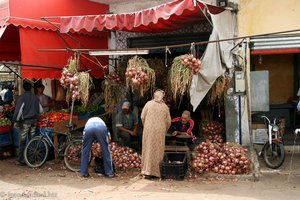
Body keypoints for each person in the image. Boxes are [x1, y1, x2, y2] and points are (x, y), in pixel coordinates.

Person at [141, 89, 171, 178]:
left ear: (154, 95)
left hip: (148, 130)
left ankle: (147, 171)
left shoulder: (148, 104)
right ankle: (157, 172)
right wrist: (164, 130)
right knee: (158, 150)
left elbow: (142, 116)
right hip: (160, 131)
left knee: (148, 149)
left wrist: (146, 125)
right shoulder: (165, 107)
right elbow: (168, 121)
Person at [13, 82, 43, 166]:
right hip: (34, 121)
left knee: (22, 140)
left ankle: (21, 160)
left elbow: (19, 111)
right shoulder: (35, 97)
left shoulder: (22, 97)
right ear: (31, 88)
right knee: (32, 139)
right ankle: (31, 159)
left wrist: (16, 121)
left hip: (26, 122)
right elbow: (41, 110)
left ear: (23, 89)